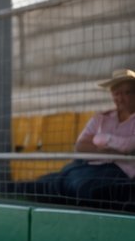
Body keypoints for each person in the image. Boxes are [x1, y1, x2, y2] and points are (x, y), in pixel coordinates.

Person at [22, 69, 135, 208]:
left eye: (127, 92)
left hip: (118, 171)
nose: (120, 98)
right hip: (86, 165)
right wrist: (113, 152)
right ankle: (7, 189)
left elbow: (129, 146)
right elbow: (80, 146)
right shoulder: (101, 117)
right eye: (116, 93)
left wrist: (102, 139)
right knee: (47, 182)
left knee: (81, 186)